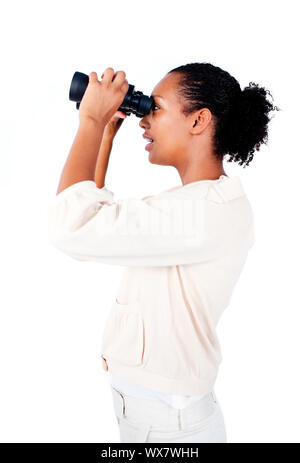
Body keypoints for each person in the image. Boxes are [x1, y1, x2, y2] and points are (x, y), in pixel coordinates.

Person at [48, 62, 279, 443]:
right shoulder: (201, 204)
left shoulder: (201, 213)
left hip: (169, 427)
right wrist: (105, 134)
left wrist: (90, 121)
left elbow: (71, 227)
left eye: (154, 107)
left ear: (199, 120)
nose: (143, 119)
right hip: (164, 416)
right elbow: (92, 223)